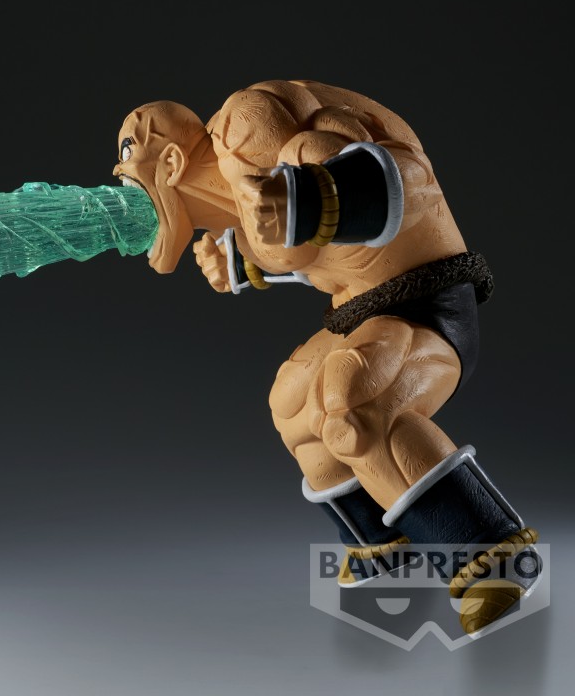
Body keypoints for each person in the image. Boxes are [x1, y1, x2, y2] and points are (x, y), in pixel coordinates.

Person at [112, 79, 539, 636]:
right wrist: (241, 261)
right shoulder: (230, 183)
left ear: (170, 163)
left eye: (128, 159)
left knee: (351, 401)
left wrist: (314, 196)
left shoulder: (248, 123)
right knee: (292, 404)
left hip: (425, 305)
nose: (120, 177)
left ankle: (493, 558)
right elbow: (303, 246)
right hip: (360, 317)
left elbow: (402, 176)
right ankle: (382, 543)